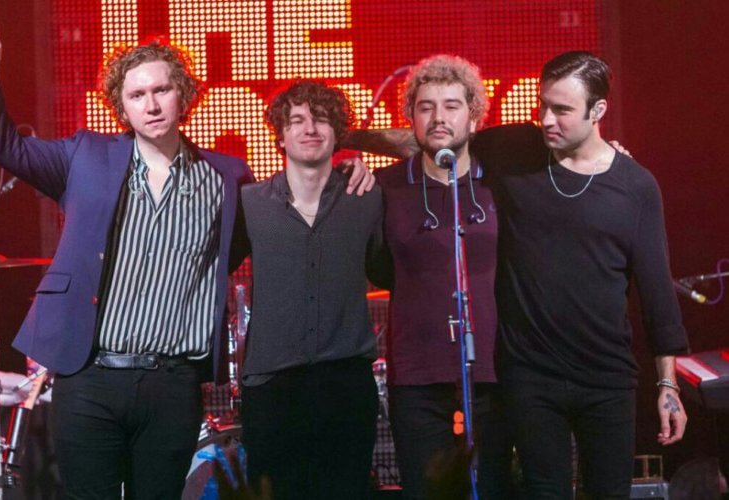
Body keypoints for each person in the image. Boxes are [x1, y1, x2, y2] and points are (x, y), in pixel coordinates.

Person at [0, 0, 255, 496]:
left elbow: (236, 251)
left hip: (173, 383)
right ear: (121, 106)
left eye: (161, 90)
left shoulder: (226, 177)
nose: (152, 104)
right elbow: (2, 146)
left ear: (184, 94)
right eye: (137, 95)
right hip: (91, 376)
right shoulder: (86, 156)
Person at [473, 51, 689, 498]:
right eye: (543, 106)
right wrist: (346, 144)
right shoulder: (514, 150)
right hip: (530, 374)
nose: (546, 120)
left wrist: (667, 385)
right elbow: (437, 143)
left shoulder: (635, 186)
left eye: (562, 110)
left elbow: (656, 293)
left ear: (598, 110)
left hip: (606, 378)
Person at [363, 55, 515, 499]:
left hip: (492, 370)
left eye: (451, 106)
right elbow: (376, 266)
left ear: (474, 115)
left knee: (492, 487)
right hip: (417, 374)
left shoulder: (500, 184)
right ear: (410, 117)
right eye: (426, 107)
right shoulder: (384, 186)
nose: (439, 118)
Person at [236, 80, 384, 500]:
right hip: (273, 386)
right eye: (297, 120)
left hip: (345, 383)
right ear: (280, 136)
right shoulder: (250, 202)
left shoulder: (368, 198)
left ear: (338, 132)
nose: (310, 128)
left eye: (321, 119)